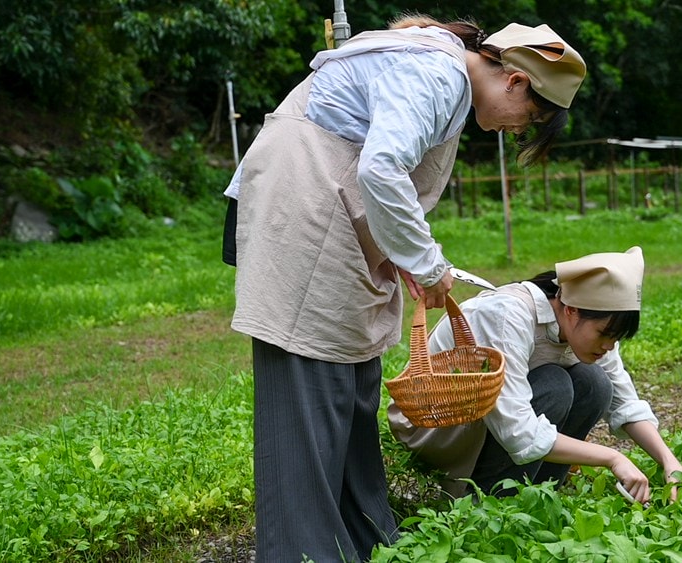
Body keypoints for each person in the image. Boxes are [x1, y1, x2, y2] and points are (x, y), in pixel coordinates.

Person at [224, 13, 588, 562]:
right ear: (515, 80)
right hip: (300, 212)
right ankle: (302, 552)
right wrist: (425, 262)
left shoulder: (447, 80)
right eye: (529, 119)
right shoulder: (437, 74)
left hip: (332, 218)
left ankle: (367, 540)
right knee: (309, 388)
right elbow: (382, 169)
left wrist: (410, 255)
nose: (518, 131)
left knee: (351, 382)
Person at [388, 247, 682, 504]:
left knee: (596, 384)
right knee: (556, 385)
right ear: (571, 310)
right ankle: (491, 499)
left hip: (490, 421)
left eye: (615, 338)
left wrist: (669, 461)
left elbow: (624, 403)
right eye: (604, 334)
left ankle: (542, 494)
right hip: (438, 425)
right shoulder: (507, 316)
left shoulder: (589, 330)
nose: (609, 346)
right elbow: (518, 430)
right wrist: (612, 458)